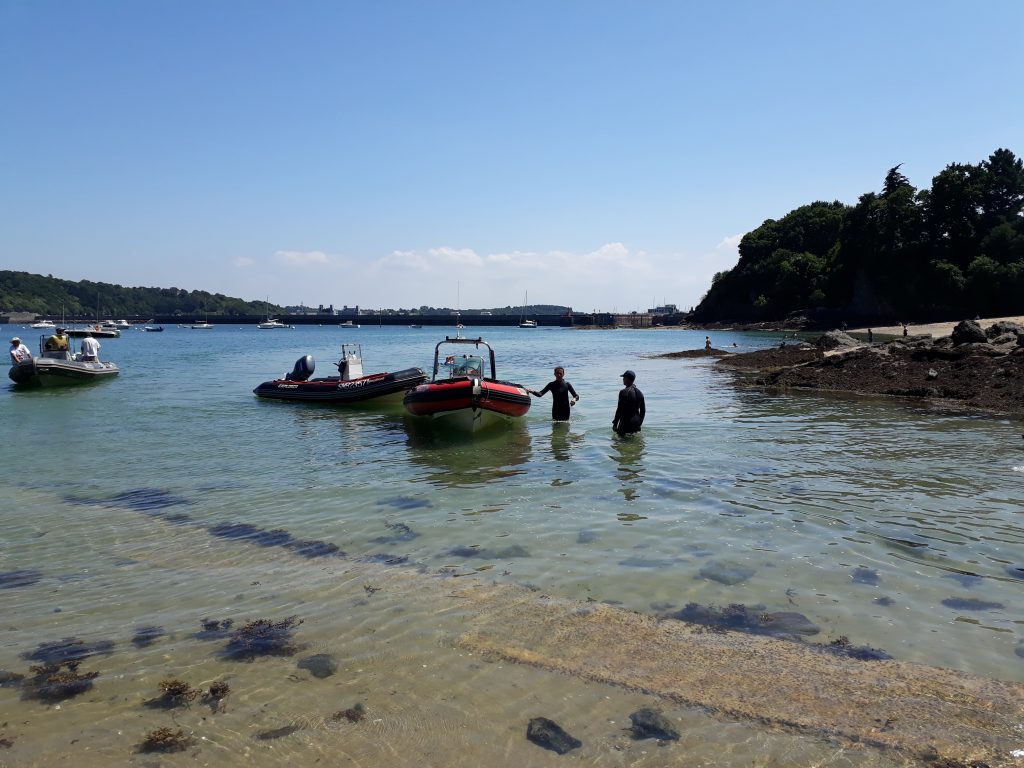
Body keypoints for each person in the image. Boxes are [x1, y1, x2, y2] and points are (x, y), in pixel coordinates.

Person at [613, 370, 645, 436]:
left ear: (627, 379)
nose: (623, 379)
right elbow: (643, 411)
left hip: (625, 423)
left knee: (619, 443)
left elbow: (619, 409)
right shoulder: (640, 393)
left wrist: (615, 424)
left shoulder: (623, 392)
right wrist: (639, 423)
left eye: (624, 377)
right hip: (636, 423)